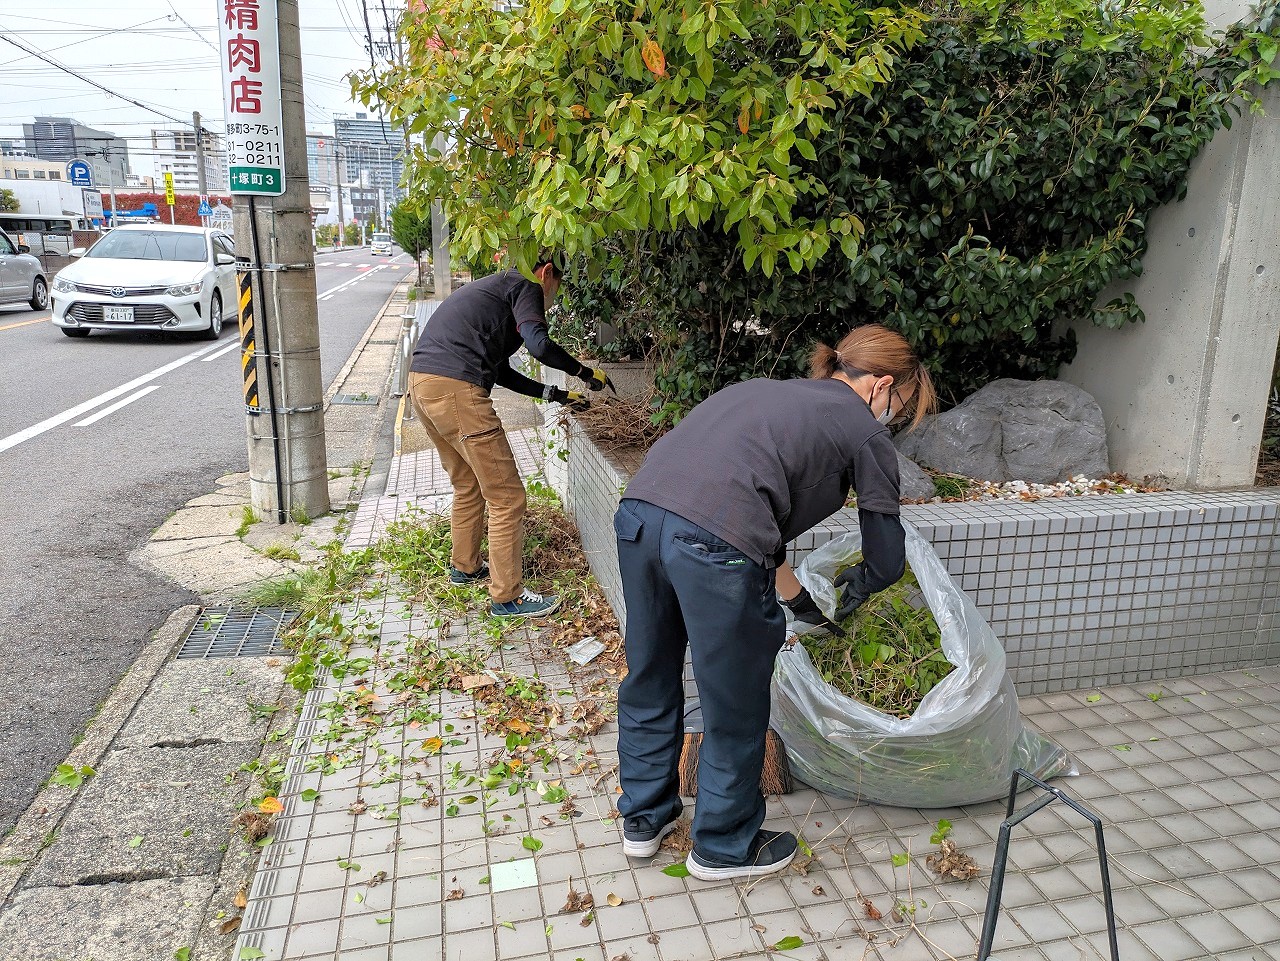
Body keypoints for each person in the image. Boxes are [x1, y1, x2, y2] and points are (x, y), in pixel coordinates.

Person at [612, 324, 937, 880]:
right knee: (734, 698)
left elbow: (742, 513)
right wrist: (853, 594)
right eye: (904, 403)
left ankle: (644, 819)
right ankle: (723, 845)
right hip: (712, 548)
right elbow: (885, 561)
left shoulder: (769, 394)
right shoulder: (864, 431)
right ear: (882, 386)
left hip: (640, 520)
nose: (898, 416)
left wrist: (799, 602)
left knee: (650, 673)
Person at [407, 255, 615, 618]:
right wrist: (584, 372)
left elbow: (501, 371)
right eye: (557, 285)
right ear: (547, 272)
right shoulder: (525, 284)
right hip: (456, 389)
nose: (553, 296)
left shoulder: (494, 291)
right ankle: (507, 597)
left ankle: (465, 567)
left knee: (468, 484)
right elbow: (539, 345)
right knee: (507, 496)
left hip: (423, 385)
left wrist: (557, 394)